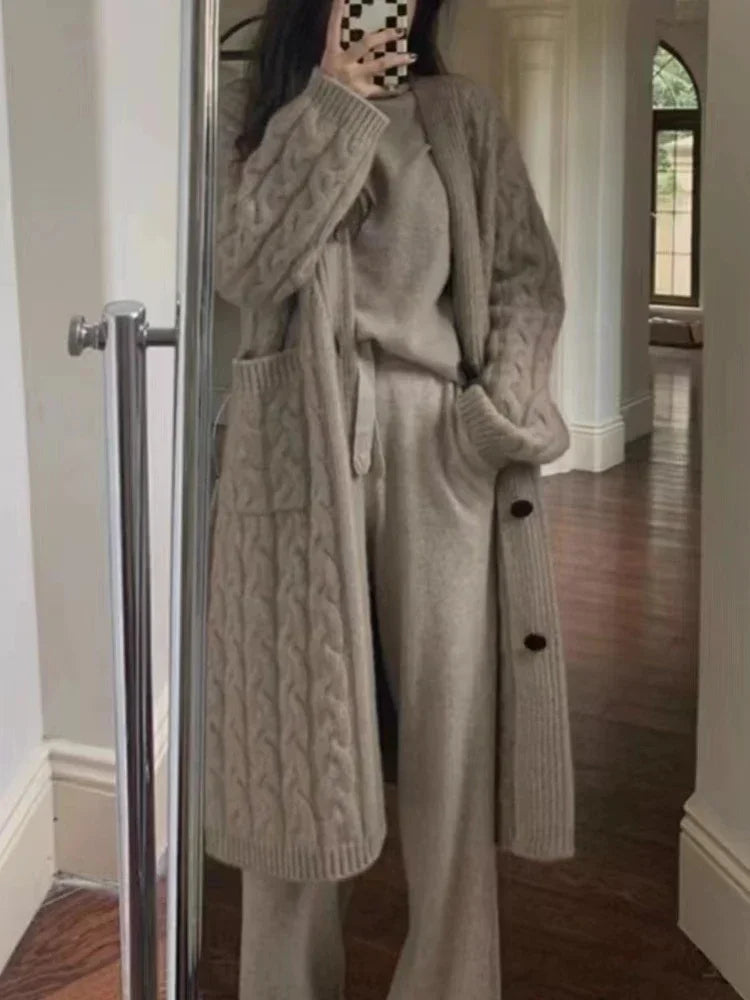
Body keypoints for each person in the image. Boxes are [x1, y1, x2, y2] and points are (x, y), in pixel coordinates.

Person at [205, 0, 575, 997]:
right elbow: (245, 267)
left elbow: (528, 279)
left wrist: (494, 418)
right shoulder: (257, 109)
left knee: (451, 744)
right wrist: (331, 102)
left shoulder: (462, 115)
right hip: (297, 446)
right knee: (294, 751)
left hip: (436, 444)